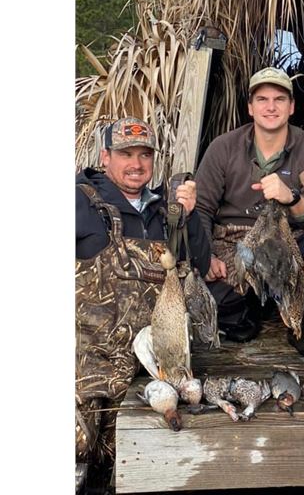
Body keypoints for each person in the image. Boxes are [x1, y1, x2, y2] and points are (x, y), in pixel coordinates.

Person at [75, 117, 211, 490]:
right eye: (125, 154)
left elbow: (199, 266)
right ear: (105, 157)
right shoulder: (79, 200)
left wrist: (190, 216)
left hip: (152, 369)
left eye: (144, 155)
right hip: (89, 368)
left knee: (141, 466)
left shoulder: (166, 210)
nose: (136, 164)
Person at [194, 67, 304, 343]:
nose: (271, 107)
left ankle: (296, 314)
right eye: (262, 99)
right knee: (221, 304)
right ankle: (251, 306)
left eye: (279, 99)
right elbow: (201, 208)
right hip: (234, 244)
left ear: (291, 107)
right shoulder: (223, 148)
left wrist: (292, 198)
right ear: (250, 108)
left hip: (288, 243)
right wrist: (206, 257)